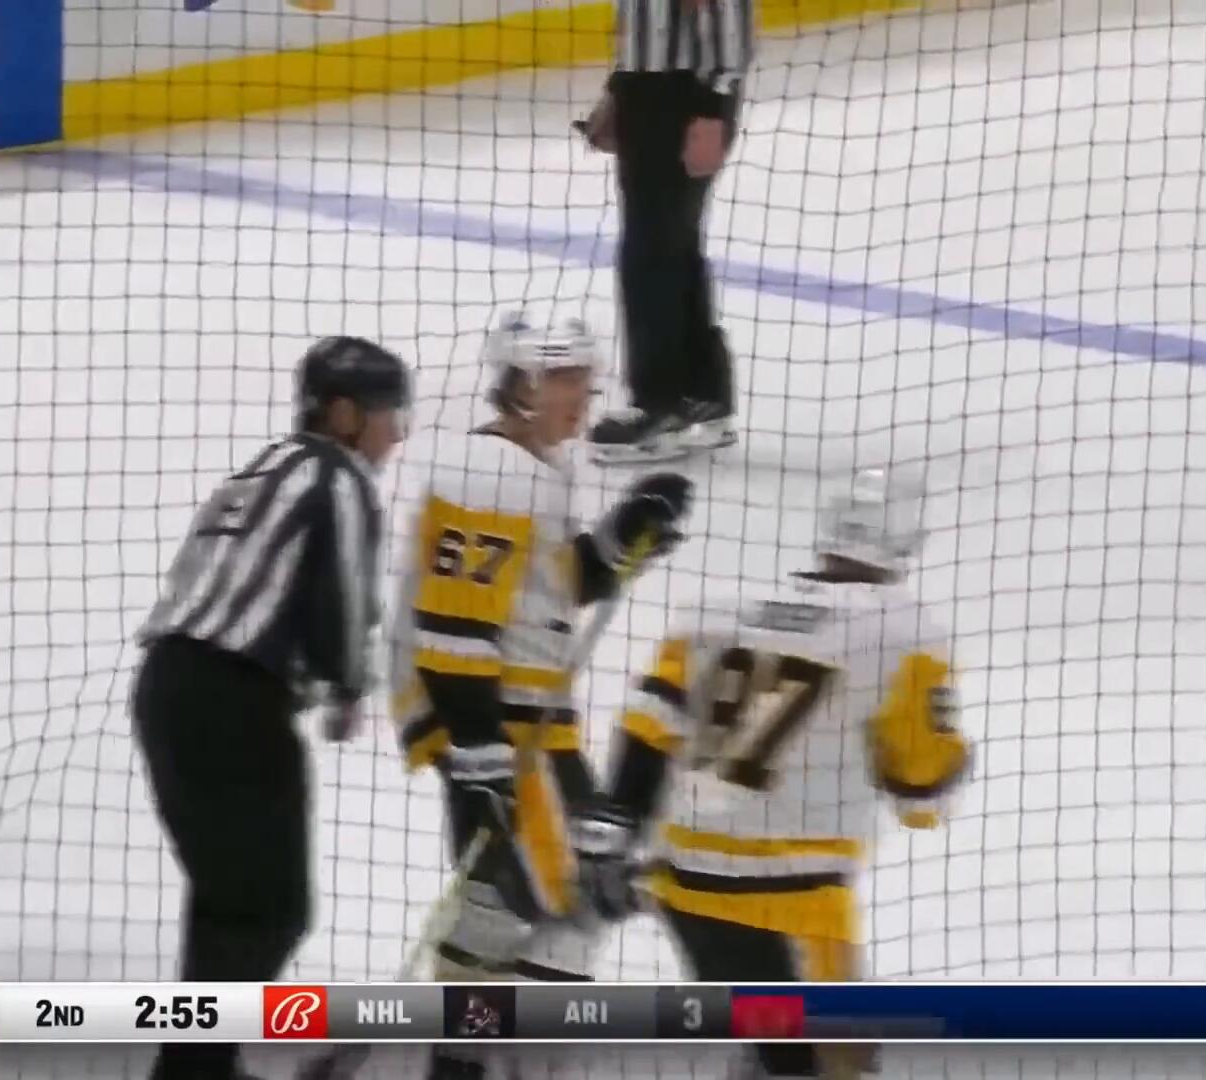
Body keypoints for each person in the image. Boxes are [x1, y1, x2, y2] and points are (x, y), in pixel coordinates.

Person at [578, 467, 969, 1079]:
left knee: (771, 1042)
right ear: (905, 542)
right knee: (833, 1061)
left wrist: (618, 826)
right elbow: (921, 786)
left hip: (685, 887)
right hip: (794, 900)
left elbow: (649, 727)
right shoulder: (903, 633)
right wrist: (949, 765)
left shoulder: (716, 614)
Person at [383, 312, 691, 1080]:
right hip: (502, 727)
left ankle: (460, 1059)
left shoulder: (529, 469)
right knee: (579, 893)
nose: (583, 394)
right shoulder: (492, 471)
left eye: (585, 377)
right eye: (563, 379)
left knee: (501, 906)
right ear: (521, 383)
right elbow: (454, 626)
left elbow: (550, 589)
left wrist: (623, 535)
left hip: (524, 726)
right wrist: (479, 756)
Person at [133, 336, 410, 1080]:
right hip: (236, 699)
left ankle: (199, 1065)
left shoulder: (261, 468)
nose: (396, 433)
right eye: (388, 413)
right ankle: (192, 1069)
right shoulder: (339, 477)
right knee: (271, 907)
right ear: (344, 413)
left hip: (166, 685)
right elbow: (344, 601)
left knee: (228, 899)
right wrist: (346, 684)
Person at [581, 0, 756, 463]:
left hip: (684, 95)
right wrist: (620, 88)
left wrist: (714, 106)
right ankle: (702, 395)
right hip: (650, 89)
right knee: (671, 246)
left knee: (651, 252)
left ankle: (660, 405)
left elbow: (726, 13)